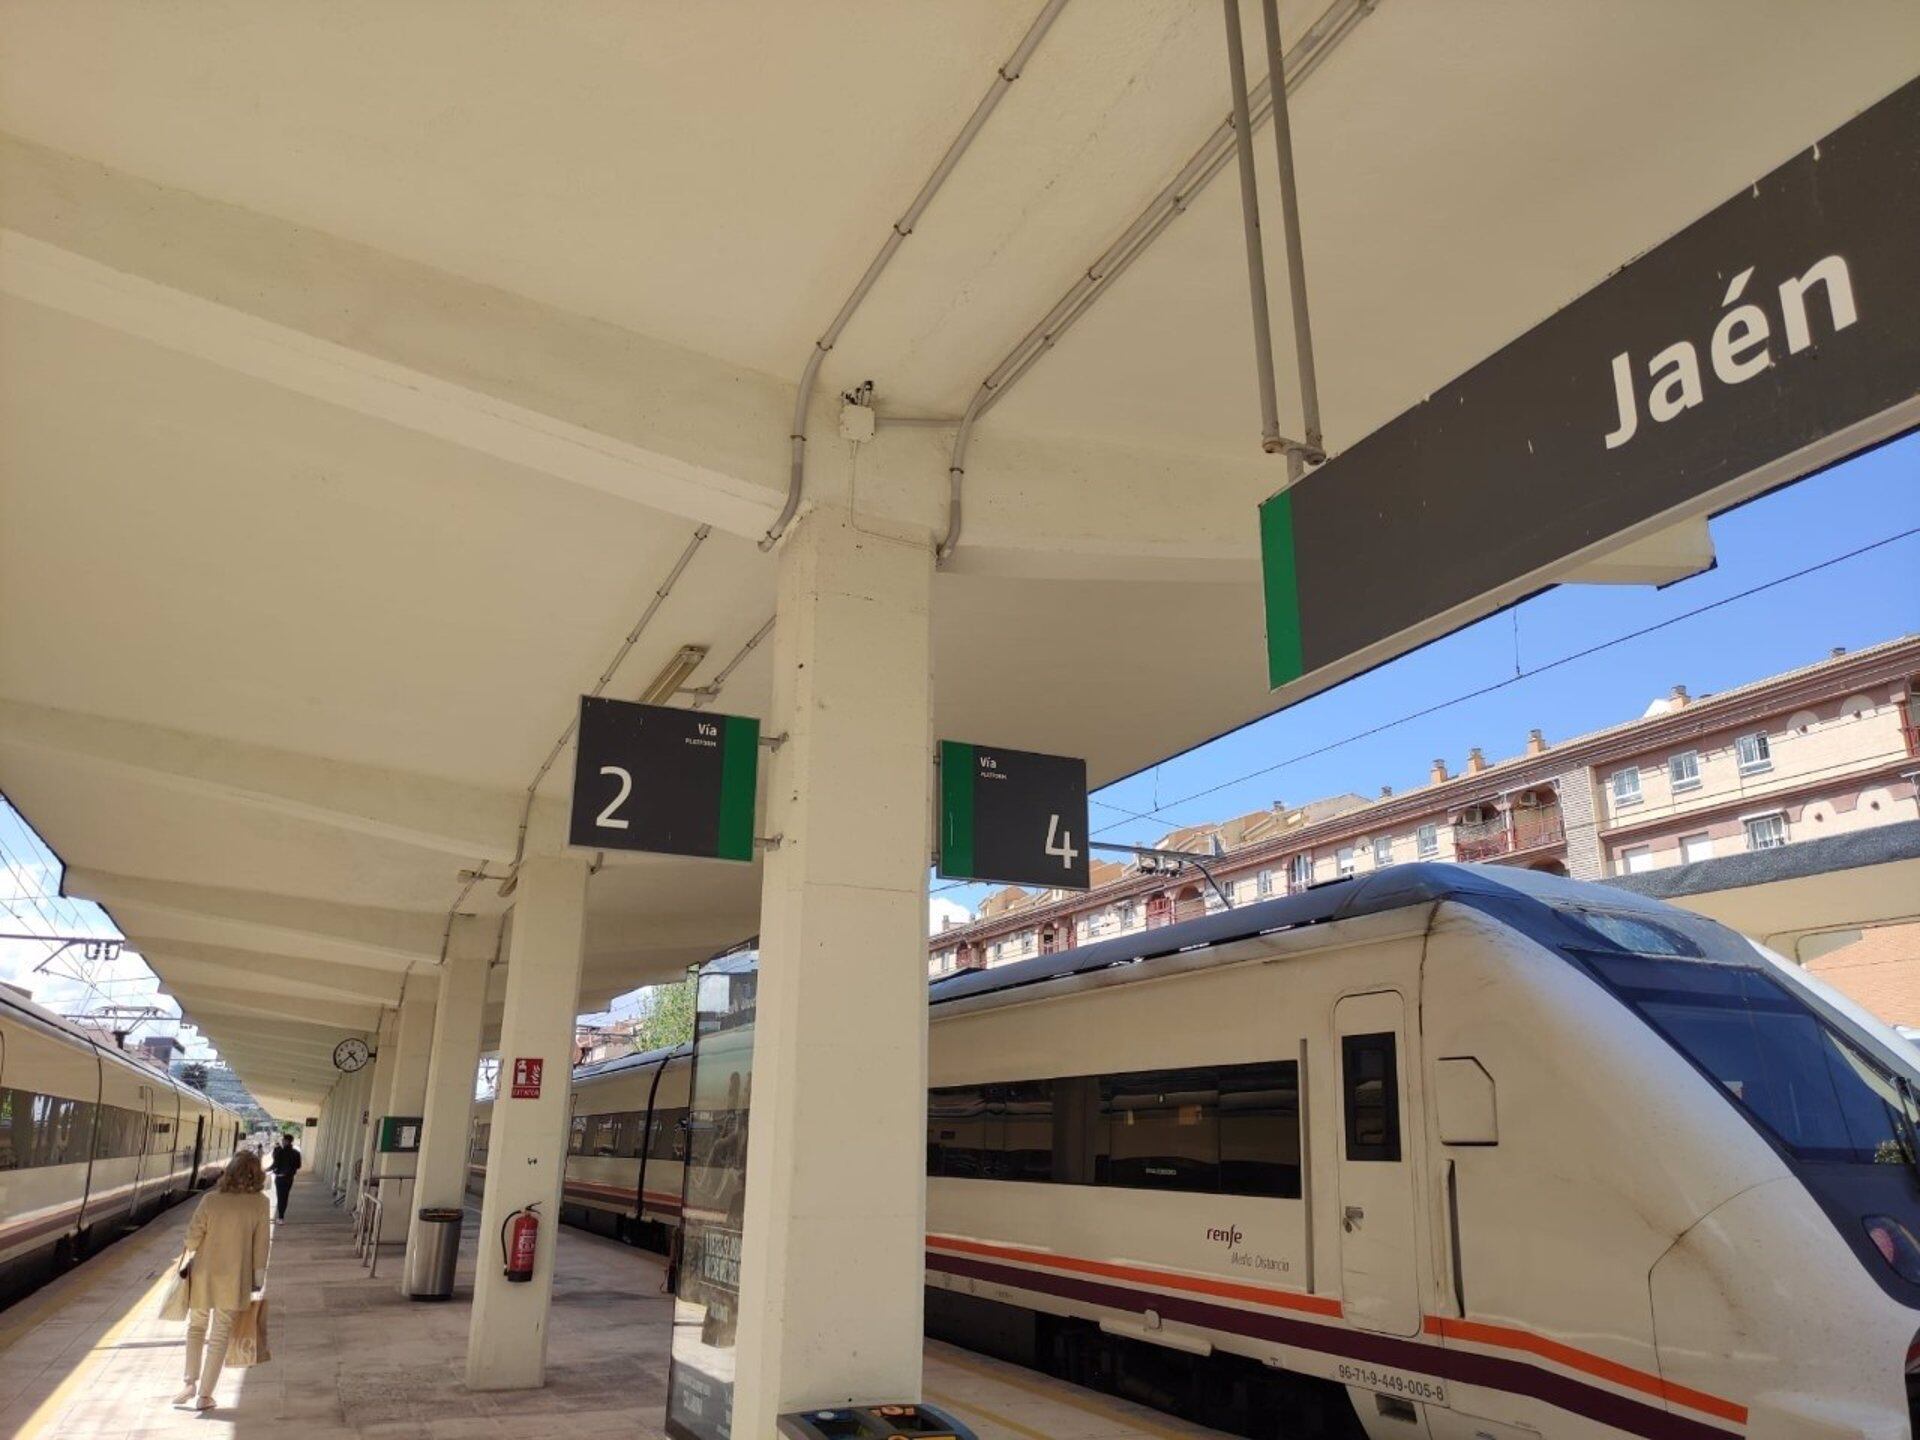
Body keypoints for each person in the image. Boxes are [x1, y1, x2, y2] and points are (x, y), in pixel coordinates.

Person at [175, 1149, 271, 1412]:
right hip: (236, 1277)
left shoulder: (210, 1201)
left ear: (229, 1172)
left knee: (196, 1326)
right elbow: (261, 1246)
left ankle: (189, 1383)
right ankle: (205, 1396)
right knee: (219, 1335)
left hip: (204, 1274)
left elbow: (192, 1238)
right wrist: (258, 1278)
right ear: (257, 1175)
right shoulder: (260, 1203)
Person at [268, 1132, 302, 1221]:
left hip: (279, 1178)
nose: (282, 1141)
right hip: (289, 1178)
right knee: (285, 1196)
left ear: (286, 1141)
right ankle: (281, 1216)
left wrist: (265, 1169)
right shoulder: (296, 1153)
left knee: (280, 1196)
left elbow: (274, 1165)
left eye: (283, 1140)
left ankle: (280, 1216)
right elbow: (298, 1166)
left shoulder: (280, 1151)